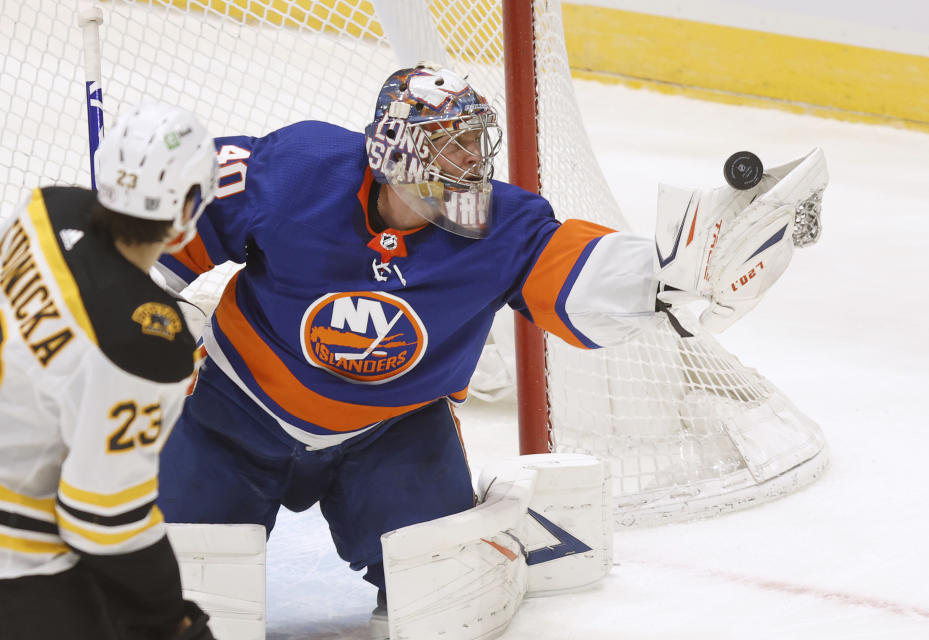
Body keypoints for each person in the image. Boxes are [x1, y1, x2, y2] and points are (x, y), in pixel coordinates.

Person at [153, 63, 801, 622]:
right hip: (237, 413)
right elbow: (168, 236)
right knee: (174, 592)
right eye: (450, 146)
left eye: (472, 143)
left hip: (393, 431)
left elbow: (572, 268)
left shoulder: (500, 224)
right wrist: (130, 298)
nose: (472, 162)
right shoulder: (295, 172)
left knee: (444, 600)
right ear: (394, 154)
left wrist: (671, 272)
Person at [0, 102, 219, 639]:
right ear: (188, 208)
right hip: (16, 556)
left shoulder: (44, 210)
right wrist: (172, 615)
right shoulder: (145, 343)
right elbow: (101, 521)